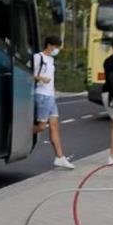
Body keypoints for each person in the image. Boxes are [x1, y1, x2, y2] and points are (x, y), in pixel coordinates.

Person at [33, 36, 75, 170]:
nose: (56, 50)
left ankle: (60, 157)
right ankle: (19, 137)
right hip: (42, 95)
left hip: (50, 96)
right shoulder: (38, 57)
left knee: (54, 125)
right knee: (41, 127)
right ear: (49, 45)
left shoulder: (51, 59)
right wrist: (41, 78)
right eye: (56, 47)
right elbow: (28, 74)